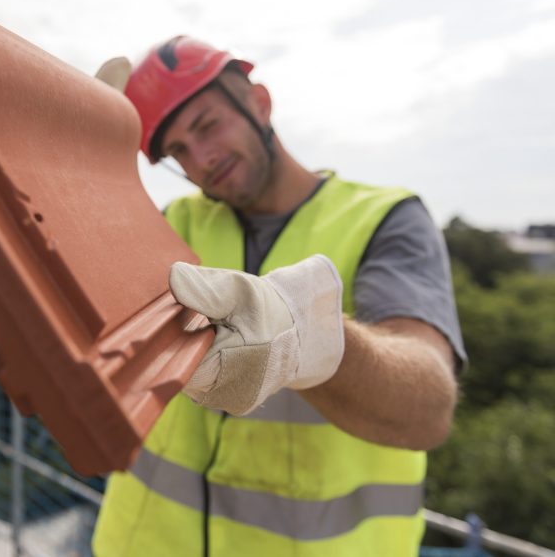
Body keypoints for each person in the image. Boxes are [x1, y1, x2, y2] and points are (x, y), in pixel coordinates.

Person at [92, 36, 466, 556]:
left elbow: (427, 405)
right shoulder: (175, 223)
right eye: (177, 149)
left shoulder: (383, 220)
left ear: (259, 103)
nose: (201, 157)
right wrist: (85, 167)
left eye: (207, 125)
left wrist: (309, 340)